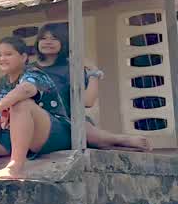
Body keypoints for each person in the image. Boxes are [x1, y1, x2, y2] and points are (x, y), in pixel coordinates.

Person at [33, 23, 150, 151]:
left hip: (68, 121)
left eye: (54, 38)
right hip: (37, 119)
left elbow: (87, 101)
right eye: (43, 38)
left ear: (64, 41)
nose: (48, 42)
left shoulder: (72, 68)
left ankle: (118, 140)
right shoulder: (28, 69)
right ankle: (113, 141)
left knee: (83, 130)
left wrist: (93, 72)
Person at [0, 36, 73, 180]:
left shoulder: (34, 73)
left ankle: (15, 168)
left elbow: (27, 89)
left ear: (23, 57)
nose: (2, 59)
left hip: (54, 132)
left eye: (8, 54)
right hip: (20, 136)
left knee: (20, 103)